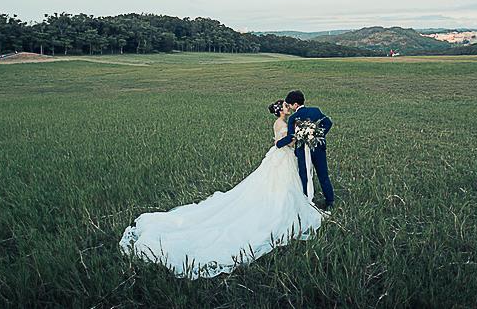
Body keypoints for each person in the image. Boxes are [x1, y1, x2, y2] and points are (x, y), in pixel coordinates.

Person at [119, 99, 326, 279]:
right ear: (280, 110)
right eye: (284, 106)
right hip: (281, 156)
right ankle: (279, 206)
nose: (287, 108)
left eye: (287, 105)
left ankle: (284, 202)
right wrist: (296, 137)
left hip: (285, 158)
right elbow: (281, 143)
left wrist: (299, 135)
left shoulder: (287, 121)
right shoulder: (280, 123)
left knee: (283, 185)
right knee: (277, 185)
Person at [275, 90, 335, 209]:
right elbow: (328, 123)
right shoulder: (315, 110)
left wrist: (278, 144)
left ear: (296, 104)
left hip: (303, 151)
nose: (290, 108)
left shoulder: (293, 118)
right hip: (319, 149)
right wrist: (318, 135)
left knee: (304, 176)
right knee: (323, 175)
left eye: (290, 105)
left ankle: (306, 202)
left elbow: (291, 137)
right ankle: (330, 201)